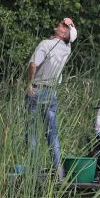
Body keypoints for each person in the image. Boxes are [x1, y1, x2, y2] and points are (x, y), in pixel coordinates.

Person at [25, 17, 77, 179]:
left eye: (64, 26)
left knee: (31, 132)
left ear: (64, 34)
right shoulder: (66, 49)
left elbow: (33, 65)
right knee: (52, 134)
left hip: (37, 90)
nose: (60, 24)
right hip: (52, 93)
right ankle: (59, 172)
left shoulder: (45, 44)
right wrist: (72, 26)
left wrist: (29, 83)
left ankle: (34, 172)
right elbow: (71, 40)